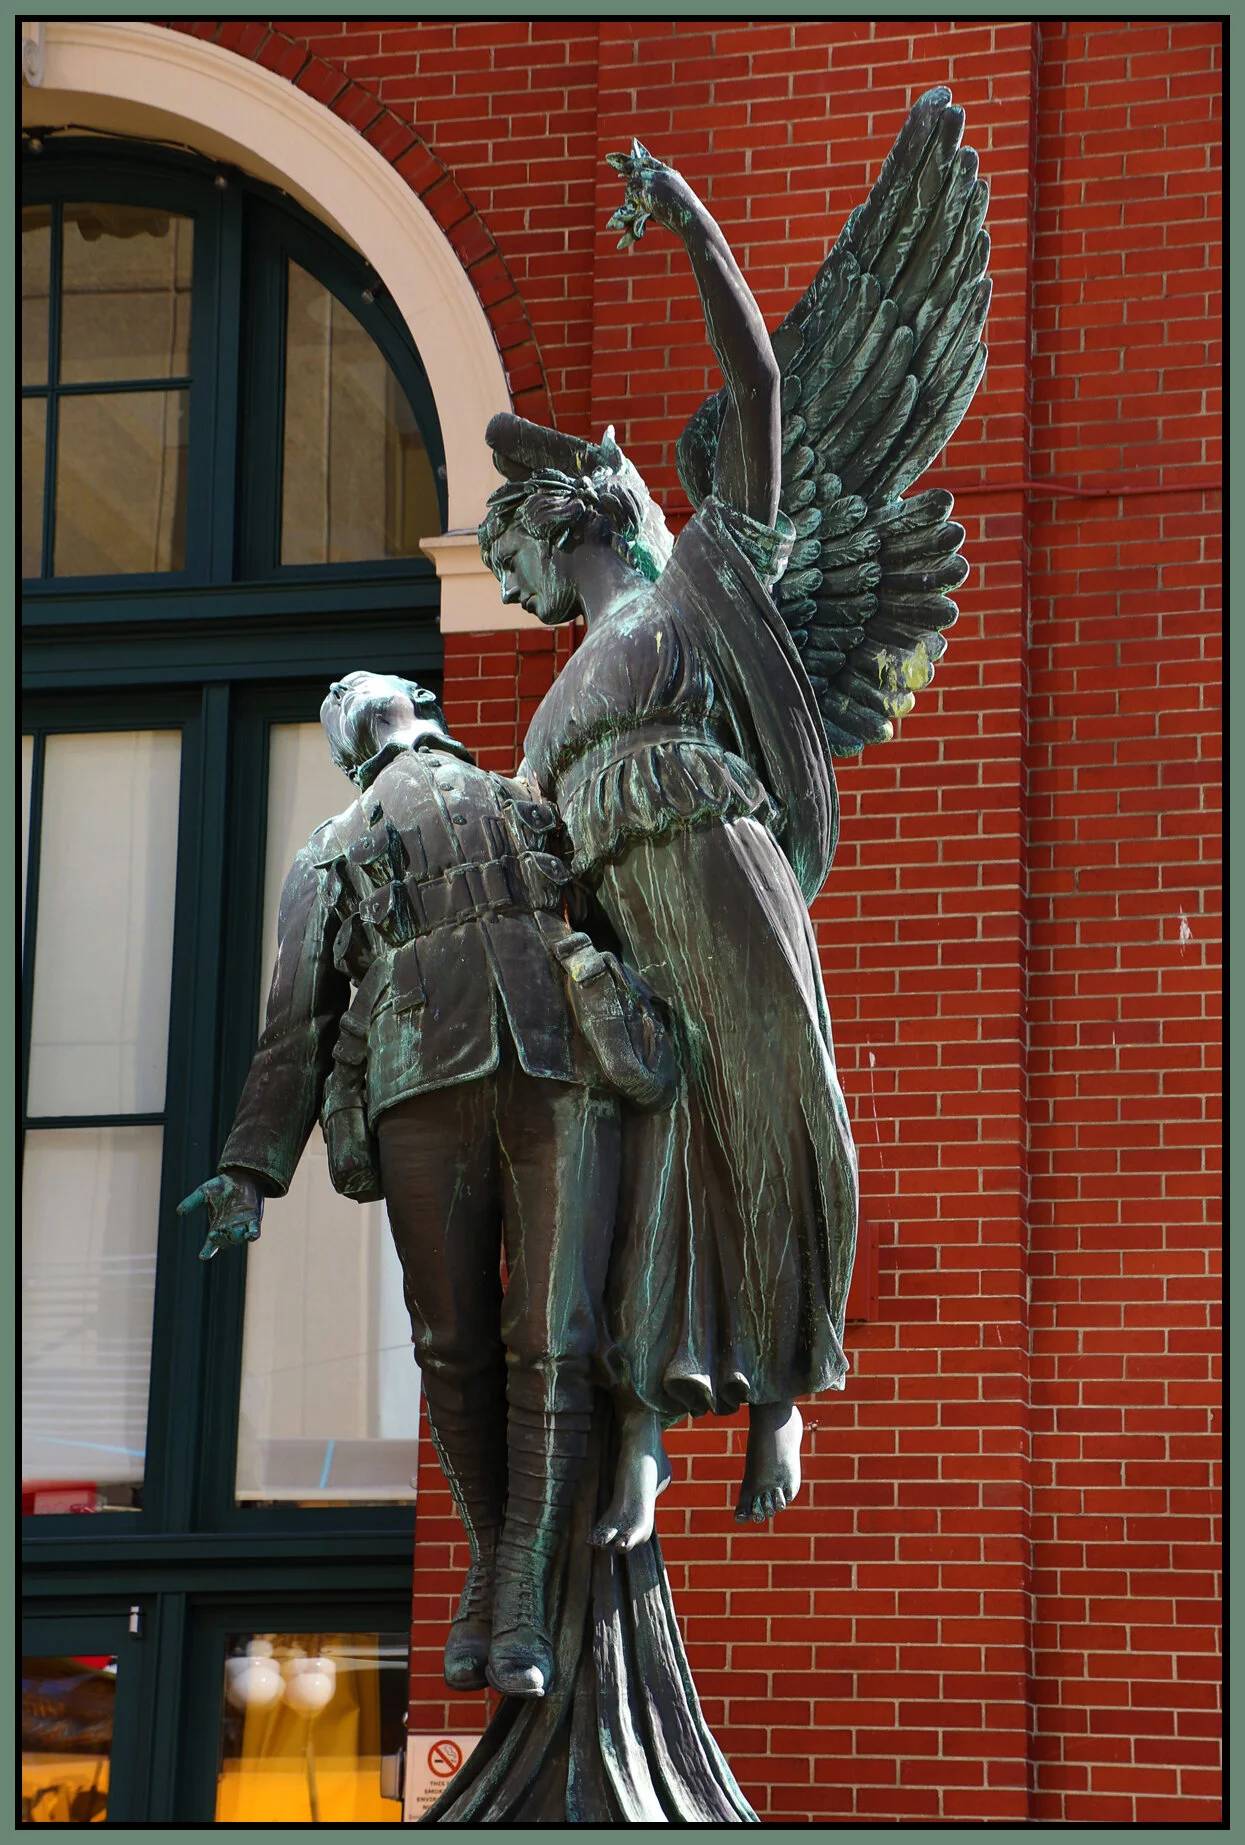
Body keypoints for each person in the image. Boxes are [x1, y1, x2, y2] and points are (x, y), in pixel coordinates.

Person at [479, 145, 860, 1549]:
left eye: (512, 524)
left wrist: (695, 218)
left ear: (568, 515)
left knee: (770, 1096)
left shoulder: (697, 583)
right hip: (621, 925)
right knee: (639, 1161)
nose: (505, 552)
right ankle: (641, 1419)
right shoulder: (547, 715)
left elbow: (759, 389)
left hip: (712, 855)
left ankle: (784, 1385)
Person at [178, 671, 673, 1700]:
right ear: (345, 751)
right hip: (417, 1087)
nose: (355, 698)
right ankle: (493, 1558)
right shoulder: (328, 848)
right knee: (449, 1338)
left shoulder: (538, 794)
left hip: (560, 1065)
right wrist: (246, 1168)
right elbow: (297, 1023)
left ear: (416, 701)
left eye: (368, 692)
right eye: (337, 705)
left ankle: (526, 1595)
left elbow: (645, 915)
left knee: (556, 1335)